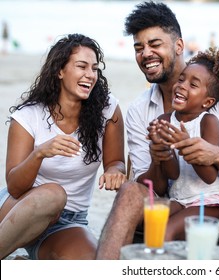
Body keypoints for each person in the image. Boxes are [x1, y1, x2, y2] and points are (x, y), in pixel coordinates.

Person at [96, 1, 219, 260]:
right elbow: (155, 186)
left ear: (179, 46)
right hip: (174, 203)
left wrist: (214, 154)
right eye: (139, 48)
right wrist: (160, 156)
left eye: (155, 44)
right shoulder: (141, 110)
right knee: (130, 192)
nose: (145, 54)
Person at [0, 33, 126, 260]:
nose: (90, 75)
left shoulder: (107, 110)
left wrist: (114, 171)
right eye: (82, 66)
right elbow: (15, 187)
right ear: (60, 71)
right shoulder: (28, 116)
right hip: (20, 209)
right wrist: (39, 154)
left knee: (91, 262)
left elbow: (116, 162)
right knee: (53, 194)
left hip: (68, 221)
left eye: (95, 68)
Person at [148, 47, 219, 240]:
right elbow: (172, 174)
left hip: (207, 201)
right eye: (181, 79)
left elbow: (209, 176)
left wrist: (185, 145)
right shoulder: (166, 119)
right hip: (179, 198)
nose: (182, 85)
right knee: (151, 223)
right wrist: (162, 149)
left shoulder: (208, 122)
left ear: (207, 102)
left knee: (165, 232)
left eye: (193, 84)